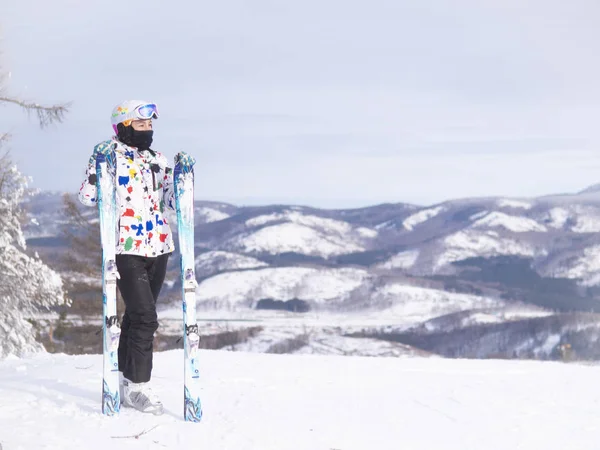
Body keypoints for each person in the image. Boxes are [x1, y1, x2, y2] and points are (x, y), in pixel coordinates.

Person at [78, 100, 194, 415]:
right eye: (141, 125)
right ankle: (139, 387)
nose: (148, 130)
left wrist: (182, 178)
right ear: (124, 125)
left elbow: (170, 201)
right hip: (126, 245)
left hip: (159, 244)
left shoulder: (158, 159)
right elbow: (88, 196)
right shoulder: (108, 156)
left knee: (136, 316)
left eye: (150, 125)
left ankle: (126, 381)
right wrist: (97, 165)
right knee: (146, 317)